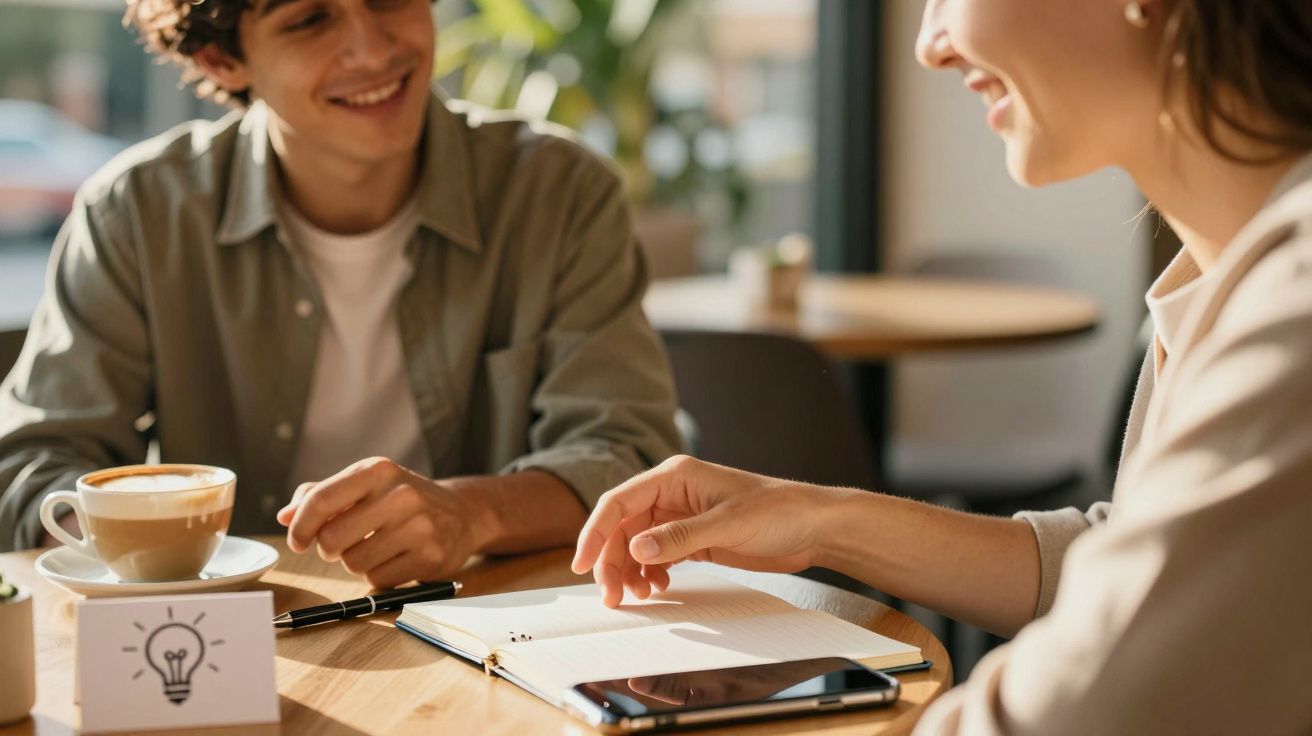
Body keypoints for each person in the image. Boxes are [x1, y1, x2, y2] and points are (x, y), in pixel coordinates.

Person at [572, 0, 1312, 732]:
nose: (931, 44)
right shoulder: (1230, 284)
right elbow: (1131, 561)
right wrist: (818, 520)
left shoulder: (1294, 317)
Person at [0, 0, 683, 589]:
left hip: (494, 622)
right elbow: (32, 469)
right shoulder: (139, 213)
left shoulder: (558, 193)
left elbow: (627, 452)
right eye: (311, 20)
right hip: (224, 639)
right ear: (221, 61)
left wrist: (471, 513)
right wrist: (151, 542)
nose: (375, 46)